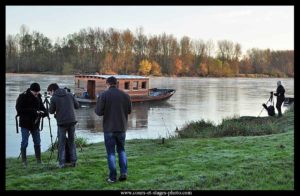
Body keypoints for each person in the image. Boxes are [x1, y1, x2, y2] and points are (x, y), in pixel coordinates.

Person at [95, 76, 132, 183]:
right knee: (121, 150)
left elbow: (98, 112)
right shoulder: (126, 95)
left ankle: (112, 177)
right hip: (121, 128)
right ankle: (124, 173)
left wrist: (99, 102)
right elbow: (129, 111)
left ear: (107, 84)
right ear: (117, 83)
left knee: (111, 153)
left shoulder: (104, 95)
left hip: (109, 129)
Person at [47, 83, 80, 168]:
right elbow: (77, 106)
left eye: (49, 92)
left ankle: (61, 163)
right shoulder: (69, 94)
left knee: (61, 143)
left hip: (62, 123)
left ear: (52, 90)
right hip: (72, 121)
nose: (50, 94)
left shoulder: (54, 98)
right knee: (71, 142)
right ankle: (73, 162)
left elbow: (51, 111)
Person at [15, 82, 48, 167]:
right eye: (35, 92)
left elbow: (42, 108)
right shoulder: (23, 96)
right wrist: (34, 111)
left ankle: (39, 161)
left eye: (38, 92)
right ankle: (24, 161)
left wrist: (44, 113)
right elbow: (19, 110)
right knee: (25, 142)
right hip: (25, 123)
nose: (37, 93)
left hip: (35, 123)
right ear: (31, 90)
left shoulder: (39, 97)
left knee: (37, 141)